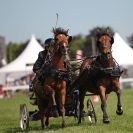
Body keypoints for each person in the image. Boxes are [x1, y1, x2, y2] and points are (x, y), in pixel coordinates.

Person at [29, 38, 55, 105]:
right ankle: (36, 97)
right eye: (50, 46)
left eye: (53, 46)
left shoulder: (58, 54)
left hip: (56, 74)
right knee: (34, 83)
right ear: (46, 47)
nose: (52, 48)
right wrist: (38, 71)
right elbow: (36, 66)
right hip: (44, 74)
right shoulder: (42, 54)